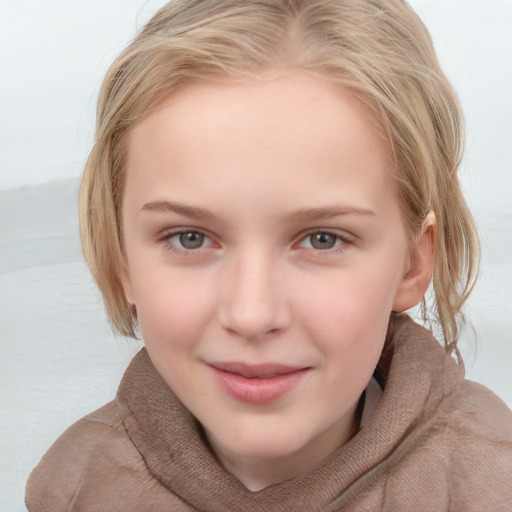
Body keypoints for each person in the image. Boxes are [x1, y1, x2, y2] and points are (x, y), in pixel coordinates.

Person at [25, 0, 512, 510]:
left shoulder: (489, 487)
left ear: (412, 262)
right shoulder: (75, 485)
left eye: (322, 239)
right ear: (121, 259)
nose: (252, 314)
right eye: (190, 238)